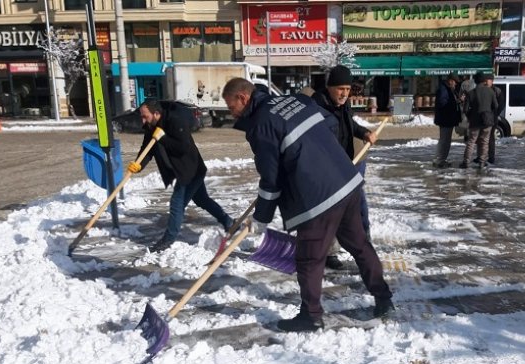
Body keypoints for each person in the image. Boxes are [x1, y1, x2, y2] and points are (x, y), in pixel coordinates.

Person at [221, 77, 394, 332]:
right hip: (346, 182)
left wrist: (261, 220)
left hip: (318, 197)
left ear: (243, 98)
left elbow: (271, 179)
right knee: (359, 245)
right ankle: (384, 298)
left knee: (309, 259)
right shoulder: (297, 101)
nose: (230, 112)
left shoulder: (260, 125)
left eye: (230, 106)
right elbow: (331, 125)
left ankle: (311, 315)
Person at [127, 99, 234, 253]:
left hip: (192, 169)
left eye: (145, 116)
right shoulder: (151, 127)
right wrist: (138, 164)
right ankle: (228, 222)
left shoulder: (174, 121)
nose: (143, 120)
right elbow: (147, 150)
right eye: (142, 117)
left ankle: (168, 240)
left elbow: (183, 147)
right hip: (181, 170)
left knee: (177, 204)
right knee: (202, 200)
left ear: (156, 113)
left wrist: (163, 137)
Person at [312, 65, 377, 268]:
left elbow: (350, 125)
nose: (345, 93)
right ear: (330, 87)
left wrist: (364, 132)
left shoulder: (343, 105)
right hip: (328, 169)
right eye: (341, 88)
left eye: (348, 89)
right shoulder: (316, 108)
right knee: (330, 211)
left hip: (348, 163)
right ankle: (329, 252)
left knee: (359, 204)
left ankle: (364, 242)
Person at [461, 74, 498, 169]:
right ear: (484, 81)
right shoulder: (490, 91)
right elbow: (495, 105)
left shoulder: (471, 93)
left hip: (475, 121)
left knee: (471, 141)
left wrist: (471, 116)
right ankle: (482, 162)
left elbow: (465, 109)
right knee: (484, 141)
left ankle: (466, 162)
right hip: (487, 120)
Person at [432, 73, 461, 168]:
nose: (456, 84)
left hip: (447, 119)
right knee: (445, 141)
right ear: (450, 81)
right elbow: (443, 103)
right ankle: (440, 160)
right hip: (446, 119)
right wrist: (455, 103)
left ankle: (440, 159)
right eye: (455, 82)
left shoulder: (447, 89)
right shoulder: (444, 89)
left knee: (445, 140)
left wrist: (457, 101)